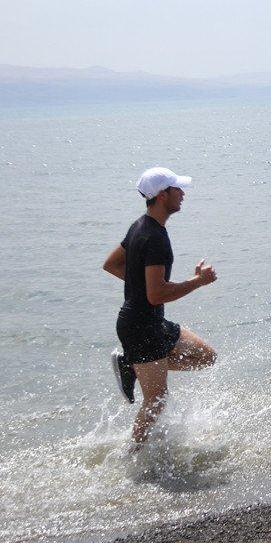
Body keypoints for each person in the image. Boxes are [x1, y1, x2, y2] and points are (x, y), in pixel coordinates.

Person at [102, 167, 218, 444]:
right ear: (163, 195)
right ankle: (134, 455)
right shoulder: (154, 238)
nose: (183, 194)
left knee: (206, 357)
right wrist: (198, 282)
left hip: (151, 322)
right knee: (157, 400)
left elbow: (112, 264)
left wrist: (141, 285)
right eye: (178, 189)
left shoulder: (141, 225)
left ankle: (132, 362)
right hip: (141, 327)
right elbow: (156, 295)